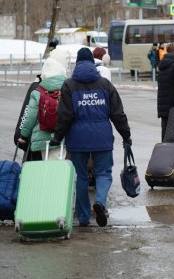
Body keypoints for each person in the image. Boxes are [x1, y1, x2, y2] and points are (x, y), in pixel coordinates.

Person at [49, 48, 132, 227]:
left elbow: (65, 115)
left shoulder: (69, 85)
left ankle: (84, 218)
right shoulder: (105, 85)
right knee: (103, 172)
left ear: (77, 64)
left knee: (81, 176)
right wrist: (126, 135)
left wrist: (57, 137)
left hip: (77, 139)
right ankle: (100, 202)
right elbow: (118, 113)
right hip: (102, 138)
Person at [17, 57, 68, 160]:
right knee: (60, 171)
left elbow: (30, 117)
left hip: (41, 141)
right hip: (64, 138)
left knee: (43, 172)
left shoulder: (37, 92)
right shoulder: (68, 89)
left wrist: (23, 136)